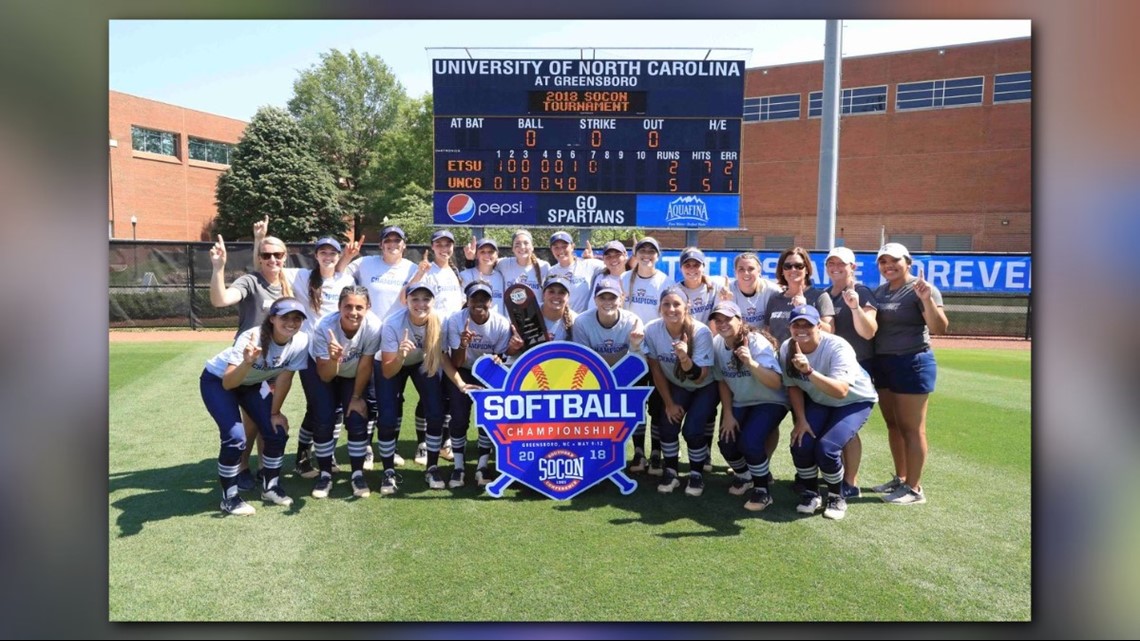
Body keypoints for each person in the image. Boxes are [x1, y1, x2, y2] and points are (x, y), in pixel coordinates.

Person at [200, 297, 310, 515]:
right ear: (272, 319)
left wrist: (275, 412)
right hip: (218, 381)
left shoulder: (301, 341)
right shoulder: (253, 337)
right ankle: (229, 498)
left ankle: (270, 488)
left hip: (252, 384)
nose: (291, 322)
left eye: (297, 318)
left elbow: (285, 378)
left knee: (276, 430)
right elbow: (229, 382)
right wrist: (248, 361)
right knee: (235, 437)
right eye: (285, 317)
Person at [208, 229, 295, 492]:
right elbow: (220, 299)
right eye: (266, 255)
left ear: (285, 256)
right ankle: (243, 466)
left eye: (277, 254)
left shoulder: (288, 284)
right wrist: (218, 268)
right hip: (248, 361)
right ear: (259, 258)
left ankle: (263, 468)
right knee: (252, 419)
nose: (272, 259)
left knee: (265, 414)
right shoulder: (250, 281)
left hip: (274, 362)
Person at [374, 282, 478, 495]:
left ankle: (432, 467)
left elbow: (442, 357)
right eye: (415, 299)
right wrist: (402, 355)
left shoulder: (439, 321)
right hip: (392, 364)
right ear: (407, 301)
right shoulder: (393, 323)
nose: (421, 304)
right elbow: (387, 371)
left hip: (421, 362)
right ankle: (388, 471)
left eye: (426, 299)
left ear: (433, 301)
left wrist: (459, 382)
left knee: (436, 410)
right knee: (387, 415)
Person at [780, 305, 879, 520]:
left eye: (808, 324)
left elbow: (841, 391)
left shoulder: (837, 346)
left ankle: (836, 495)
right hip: (821, 400)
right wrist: (801, 420)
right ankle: (811, 492)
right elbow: (793, 385)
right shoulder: (787, 347)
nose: (801, 329)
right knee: (801, 441)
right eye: (796, 324)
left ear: (819, 326)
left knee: (827, 449)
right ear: (790, 327)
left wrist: (809, 371)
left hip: (855, 400)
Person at [869, 243, 949, 506]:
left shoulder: (921, 288)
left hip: (912, 361)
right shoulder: (879, 292)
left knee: (912, 429)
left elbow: (939, 327)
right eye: (883, 261)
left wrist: (926, 299)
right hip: (884, 363)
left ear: (908, 262)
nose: (888, 266)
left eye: (894, 261)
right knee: (893, 425)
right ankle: (902, 478)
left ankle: (915, 489)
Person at [343, 225, 418, 467]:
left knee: (395, 400)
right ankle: (366, 447)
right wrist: (347, 256)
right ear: (381, 244)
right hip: (371, 339)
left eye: (398, 240)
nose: (393, 244)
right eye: (388, 240)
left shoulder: (412, 268)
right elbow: (340, 273)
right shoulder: (365, 263)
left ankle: (390, 447)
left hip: (399, 340)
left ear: (404, 245)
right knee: (372, 398)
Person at [708, 301, 788, 511]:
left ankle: (763, 491)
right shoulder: (717, 343)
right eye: (718, 320)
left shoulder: (756, 341)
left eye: (728, 319)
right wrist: (727, 413)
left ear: (740, 320)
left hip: (770, 400)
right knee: (726, 443)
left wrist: (751, 363)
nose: (722, 324)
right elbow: (722, 381)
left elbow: (775, 382)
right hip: (741, 400)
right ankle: (745, 476)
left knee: (750, 442)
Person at [307, 286, 382, 499]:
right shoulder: (324, 327)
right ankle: (325, 474)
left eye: (359, 307)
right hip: (325, 372)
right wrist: (333, 359)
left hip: (354, 373)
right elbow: (325, 376)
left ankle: (357, 474)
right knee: (323, 420)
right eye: (348, 306)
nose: (353, 312)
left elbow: (366, 365)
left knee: (357, 417)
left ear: (368, 307)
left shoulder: (374, 326)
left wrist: (357, 398)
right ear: (339, 307)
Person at [642, 287, 717, 496]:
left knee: (692, 430)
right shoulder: (652, 329)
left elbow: (700, 376)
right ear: (659, 307)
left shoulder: (700, 331)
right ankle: (671, 471)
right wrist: (668, 403)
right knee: (667, 424)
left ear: (687, 307)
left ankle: (696, 474)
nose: (671, 309)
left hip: (704, 387)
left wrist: (684, 358)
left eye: (677, 304)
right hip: (677, 385)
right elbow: (656, 369)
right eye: (666, 304)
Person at [445, 280, 516, 487]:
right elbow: (455, 362)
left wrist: (498, 359)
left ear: (490, 302)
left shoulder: (501, 323)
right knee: (458, 418)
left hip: (488, 373)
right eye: (474, 298)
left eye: (484, 298)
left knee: (488, 418)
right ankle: (458, 467)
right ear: (466, 301)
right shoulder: (456, 320)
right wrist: (463, 344)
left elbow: (500, 357)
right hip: (463, 370)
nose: (479, 302)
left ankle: (482, 466)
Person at [824, 246, 879, 498]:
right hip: (830, 370)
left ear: (852, 267)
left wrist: (855, 307)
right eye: (831, 263)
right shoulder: (824, 295)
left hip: (858, 372)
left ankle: (851, 481)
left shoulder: (862, 292)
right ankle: (831, 476)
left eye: (841, 264)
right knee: (831, 426)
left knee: (847, 429)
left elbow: (869, 332)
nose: (835, 268)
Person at [620, 237, 672, 475]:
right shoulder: (623, 279)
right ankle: (639, 452)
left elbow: (669, 315)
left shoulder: (665, 281)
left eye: (652, 251)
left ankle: (657, 452)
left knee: (658, 404)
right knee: (637, 404)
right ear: (635, 253)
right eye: (642, 250)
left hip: (658, 351)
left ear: (658, 256)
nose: (647, 254)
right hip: (633, 352)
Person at [763, 246, 835, 343]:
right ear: (782, 271)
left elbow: (830, 331)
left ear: (806, 270)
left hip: (807, 356)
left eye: (798, 266)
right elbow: (767, 332)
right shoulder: (774, 299)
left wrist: (805, 309)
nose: (793, 270)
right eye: (788, 266)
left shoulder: (819, 296)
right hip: (778, 356)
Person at [572, 277, 645, 366]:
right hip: (594, 372)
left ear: (621, 299)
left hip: (625, 371)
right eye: (602, 298)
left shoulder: (632, 321)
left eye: (612, 298)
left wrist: (635, 346)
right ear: (595, 300)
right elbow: (583, 359)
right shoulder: (582, 322)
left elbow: (640, 363)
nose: (607, 302)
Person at [547, 230, 605, 312]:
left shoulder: (588, 264)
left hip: (583, 322)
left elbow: (615, 265)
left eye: (564, 246)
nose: (560, 250)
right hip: (560, 322)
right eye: (556, 247)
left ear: (572, 247)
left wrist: (595, 258)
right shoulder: (550, 272)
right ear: (551, 249)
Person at [725, 252, 777, 330]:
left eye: (751, 269)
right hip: (737, 338)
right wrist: (725, 302)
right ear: (735, 272)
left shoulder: (772, 290)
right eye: (741, 269)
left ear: (759, 271)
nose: (746, 273)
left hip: (764, 338)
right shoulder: (728, 291)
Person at [459, 237, 507, 316]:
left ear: (497, 255)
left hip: (497, 326)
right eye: (482, 252)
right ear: (476, 255)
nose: (487, 255)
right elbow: (462, 304)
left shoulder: (500, 277)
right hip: (473, 324)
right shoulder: (466, 275)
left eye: (491, 252)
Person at [495, 229, 550, 297]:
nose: (522, 247)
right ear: (512, 248)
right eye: (517, 244)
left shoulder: (544, 267)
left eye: (526, 243)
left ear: (532, 247)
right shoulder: (503, 264)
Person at [539, 275, 577, 341]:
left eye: (562, 292)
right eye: (551, 292)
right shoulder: (530, 313)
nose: (556, 296)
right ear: (543, 295)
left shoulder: (576, 321)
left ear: (568, 297)